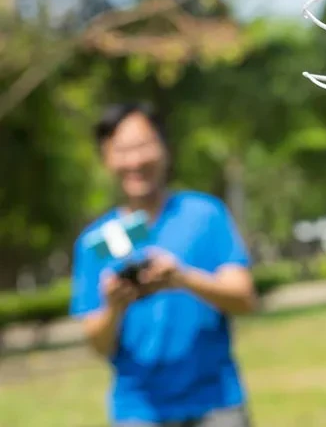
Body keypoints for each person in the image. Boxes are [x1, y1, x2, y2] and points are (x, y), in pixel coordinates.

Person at [69, 102, 258, 426]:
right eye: (122, 149)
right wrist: (115, 306)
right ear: (106, 157)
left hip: (216, 402)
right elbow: (98, 344)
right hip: (138, 410)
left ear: (164, 148)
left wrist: (182, 279)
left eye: (143, 145)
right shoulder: (94, 242)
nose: (135, 160)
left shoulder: (204, 214)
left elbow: (244, 298)